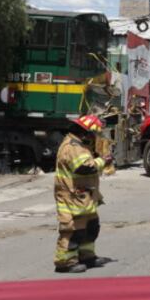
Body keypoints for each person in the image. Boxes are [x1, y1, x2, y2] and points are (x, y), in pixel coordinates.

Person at [53, 114, 113, 273]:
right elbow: (84, 167)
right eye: (93, 133)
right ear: (85, 132)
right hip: (71, 197)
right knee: (73, 230)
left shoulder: (80, 144)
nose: (95, 137)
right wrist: (103, 161)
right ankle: (65, 262)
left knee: (91, 227)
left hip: (84, 196)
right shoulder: (72, 147)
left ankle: (87, 256)